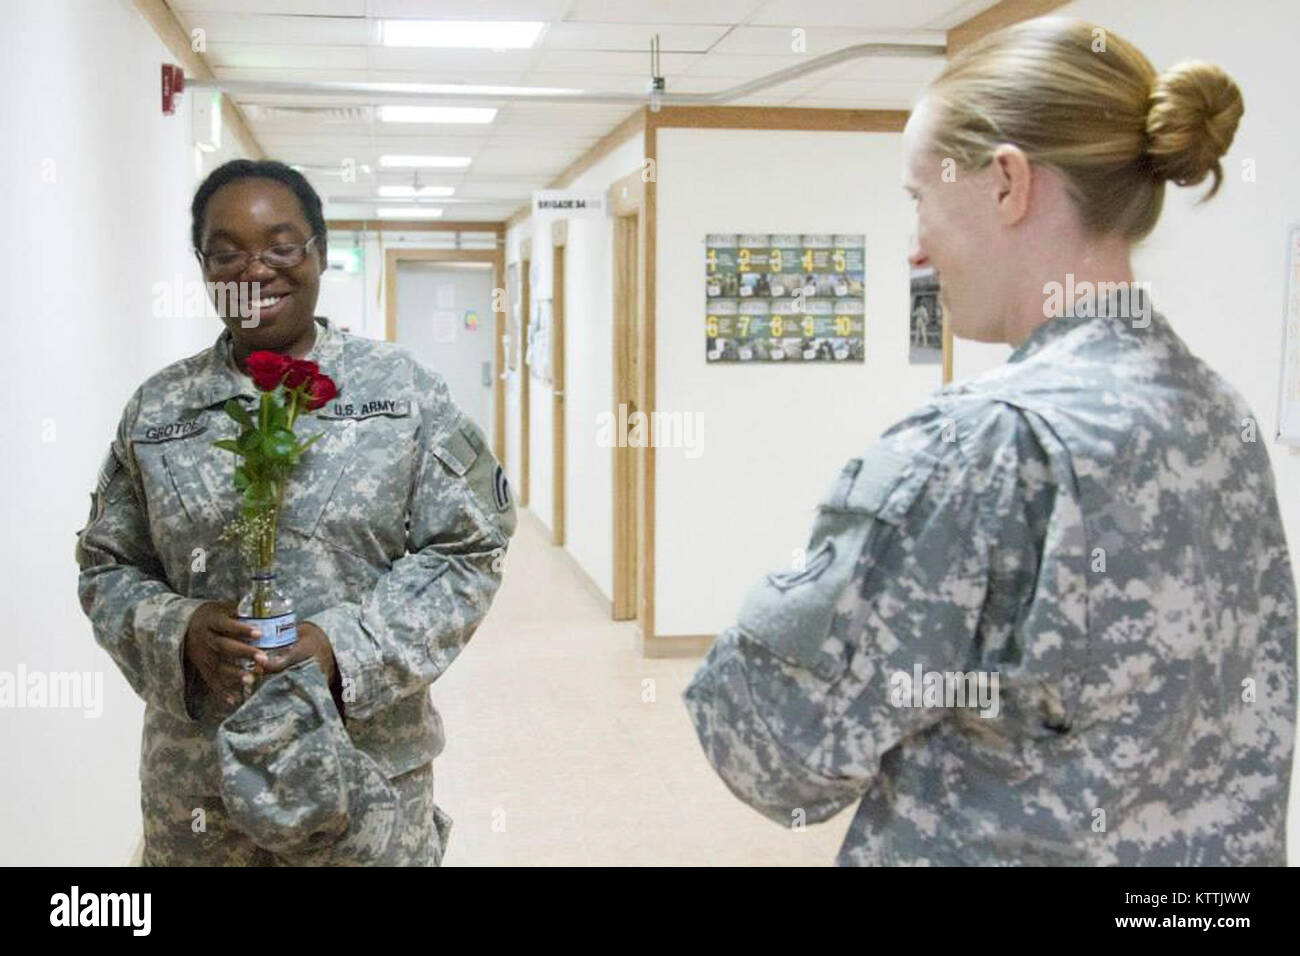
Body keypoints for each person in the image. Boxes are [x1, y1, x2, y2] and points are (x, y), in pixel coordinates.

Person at [684, 18, 1296, 865]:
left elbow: (775, 751)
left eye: (919, 200)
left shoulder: (988, 439)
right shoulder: (1217, 413)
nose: (916, 249)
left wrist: (818, 573)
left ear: (1008, 183)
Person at [75, 159, 516, 866]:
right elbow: (105, 565)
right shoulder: (158, 410)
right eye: (228, 252)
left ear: (318, 251)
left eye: (282, 246)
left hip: (363, 774)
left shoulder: (402, 394)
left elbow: (468, 548)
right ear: (203, 265)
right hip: (199, 790)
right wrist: (180, 628)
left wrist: (345, 645)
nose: (258, 270)